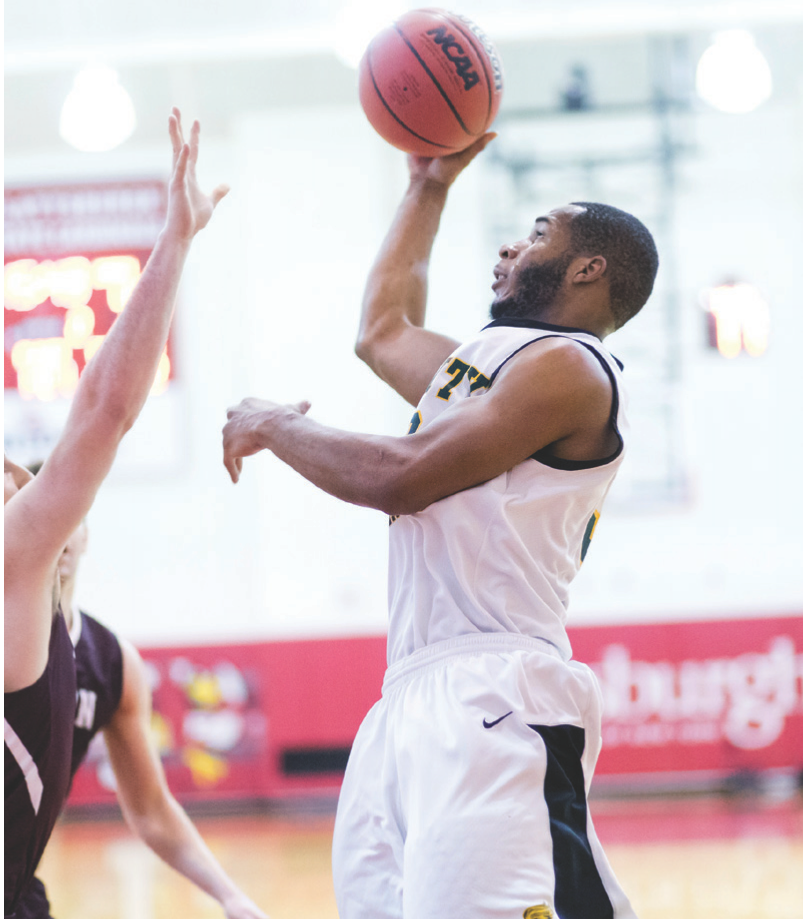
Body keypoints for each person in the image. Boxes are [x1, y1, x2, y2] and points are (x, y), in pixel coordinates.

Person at [221, 134, 658, 919]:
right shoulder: (488, 370)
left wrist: (275, 425)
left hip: (494, 693)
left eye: (538, 233)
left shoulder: (568, 367)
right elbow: (382, 330)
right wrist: (428, 186)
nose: (511, 245)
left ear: (588, 268)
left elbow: (402, 475)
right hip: (411, 694)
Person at [4, 109, 228, 920]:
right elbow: (104, 409)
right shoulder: (13, 562)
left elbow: (154, 812)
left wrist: (233, 897)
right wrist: (174, 241)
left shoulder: (103, 655)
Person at [11, 492, 266, 921]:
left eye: (68, 515)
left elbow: (151, 810)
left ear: (86, 535)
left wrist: (229, 896)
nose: (56, 529)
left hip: (18, 890)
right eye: (38, 515)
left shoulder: (112, 663)